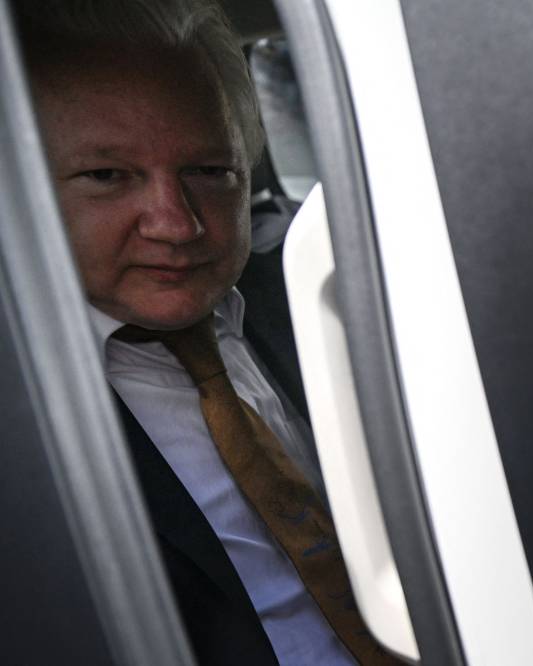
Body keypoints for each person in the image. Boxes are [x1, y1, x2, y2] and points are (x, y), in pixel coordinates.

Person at [17, 1, 395, 664]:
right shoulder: (23, 415)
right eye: (108, 176)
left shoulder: (347, 300)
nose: (177, 224)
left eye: (208, 171)